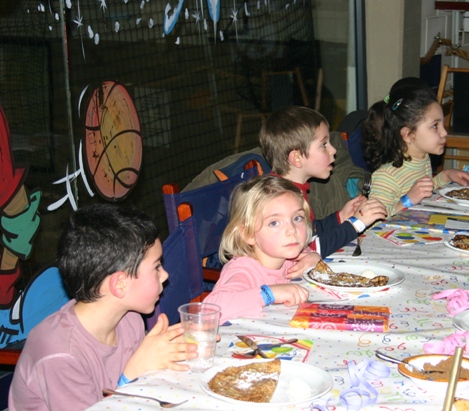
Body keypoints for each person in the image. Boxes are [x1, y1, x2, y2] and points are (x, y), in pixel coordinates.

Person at [9, 204, 197, 411]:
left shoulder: (129, 318)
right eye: (156, 267)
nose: (165, 275)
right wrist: (132, 374)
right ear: (119, 285)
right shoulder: (60, 355)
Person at [260, 106, 387, 257]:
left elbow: (310, 231)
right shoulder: (280, 200)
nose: (333, 150)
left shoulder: (294, 190)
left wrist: (340, 217)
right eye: (324, 144)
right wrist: (356, 224)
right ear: (297, 158)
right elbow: (307, 250)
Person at [204, 175, 317, 323]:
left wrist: (312, 257)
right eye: (274, 223)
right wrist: (269, 294)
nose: (292, 230)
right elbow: (210, 310)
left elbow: (305, 254)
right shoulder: (243, 271)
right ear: (248, 234)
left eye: (297, 218)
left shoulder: (286, 254)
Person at [362, 77, 469, 216]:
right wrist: (407, 200)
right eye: (435, 126)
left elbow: (424, 189)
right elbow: (373, 221)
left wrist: (446, 176)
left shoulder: (422, 158)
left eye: (442, 124)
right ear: (408, 134)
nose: (444, 132)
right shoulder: (386, 177)